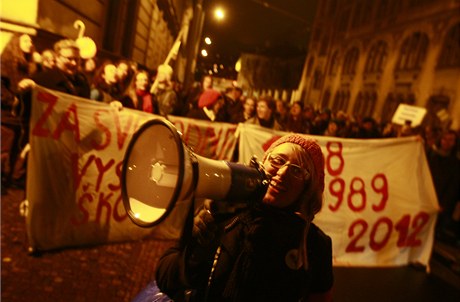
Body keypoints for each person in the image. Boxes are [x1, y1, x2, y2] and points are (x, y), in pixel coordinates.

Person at [155, 134, 334, 301]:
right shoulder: (226, 215)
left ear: (308, 188)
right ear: (263, 163)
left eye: (297, 171)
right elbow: (166, 278)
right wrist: (198, 247)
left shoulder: (315, 245)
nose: (282, 173)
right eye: (278, 161)